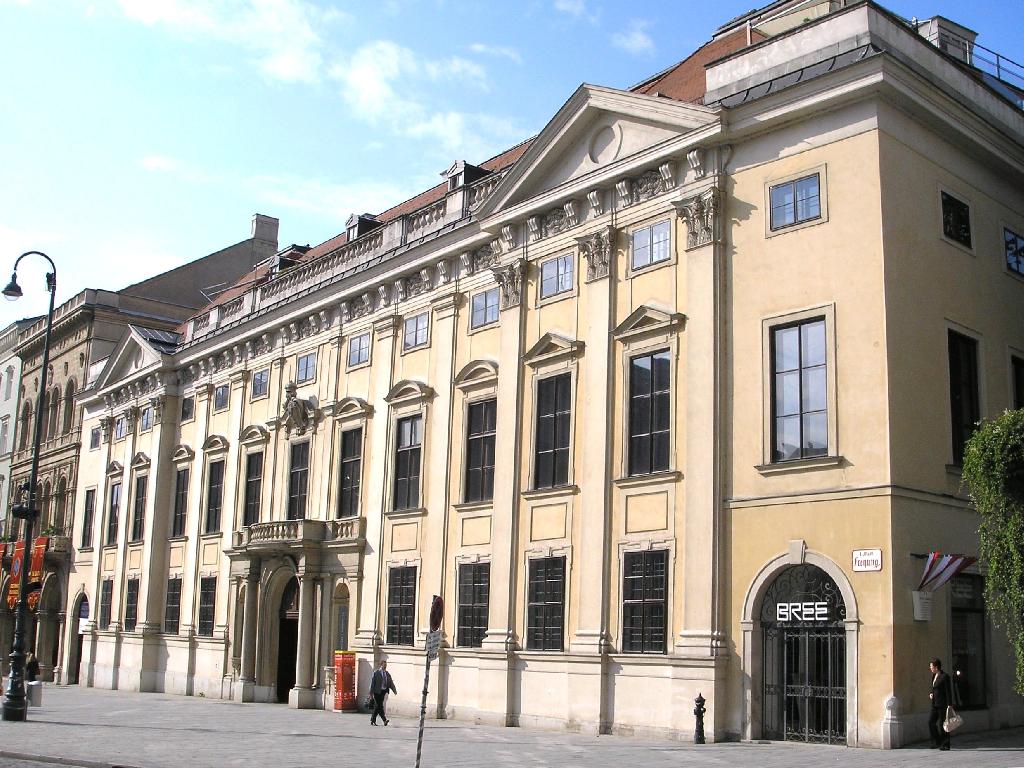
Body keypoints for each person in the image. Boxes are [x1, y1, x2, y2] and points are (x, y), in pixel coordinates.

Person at [928, 657, 952, 750]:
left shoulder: (945, 676)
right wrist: (931, 693)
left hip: (943, 704)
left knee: (943, 724)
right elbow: (934, 688)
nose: (930, 668)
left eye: (931, 666)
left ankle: (945, 744)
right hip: (934, 704)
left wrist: (949, 705)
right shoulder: (934, 676)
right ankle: (937, 741)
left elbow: (948, 691)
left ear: (936, 667)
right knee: (931, 722)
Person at [369, 659, 397, 726]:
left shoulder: (387, 674)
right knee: (379, 706)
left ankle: (373, 720)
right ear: (381, 665)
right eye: (384, 665)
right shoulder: (376, 673)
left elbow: (390, 683)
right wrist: (371, 693)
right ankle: (384, 720)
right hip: (377, 691)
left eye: (386, 665)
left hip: (383, 691)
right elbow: (372, 683)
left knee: (378, 706)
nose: (385, 666)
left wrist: (394, 690)